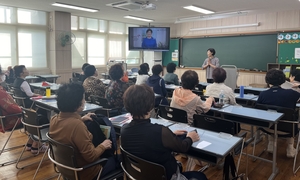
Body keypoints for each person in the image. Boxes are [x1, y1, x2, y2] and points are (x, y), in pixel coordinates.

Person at [121, 85, 207, 180]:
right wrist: (190, 137)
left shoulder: (124, 130)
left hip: (140, 176)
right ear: (150, 105)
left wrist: (170, 135)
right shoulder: (160, 131)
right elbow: (183, 147)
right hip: (167, 176)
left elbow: (147, 142)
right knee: (201, 176)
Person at [49, 83, 117, 179]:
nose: (84, 101)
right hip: (87, 172)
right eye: (83, 99)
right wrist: (103, 145)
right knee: (120, 160)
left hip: (65, 169)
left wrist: (81, 119)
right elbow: (91, 157)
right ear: (78, 104)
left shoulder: (54, 120)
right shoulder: (77, 126)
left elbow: (67, 129)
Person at [257, 69, 300, 158]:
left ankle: (271, 145)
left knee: (270, 116)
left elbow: (258, 110)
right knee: (289, 118)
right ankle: (290, 148)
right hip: (288, 129)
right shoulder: (292, 93)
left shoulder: (263, 94)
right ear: (283, 80)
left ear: (267, 80)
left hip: (266, 127)